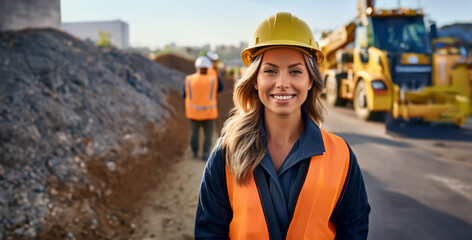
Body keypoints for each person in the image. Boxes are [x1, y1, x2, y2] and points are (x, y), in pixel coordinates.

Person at [195, 12, 370, 239]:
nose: (283, 83)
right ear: (255, 80)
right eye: (270, 70)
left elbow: (354, 230)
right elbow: (209, 232)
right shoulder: (226, 153)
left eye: (296, 71)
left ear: (310, 80)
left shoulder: (341, 155)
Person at [184, 56, 223, 160]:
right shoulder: (213, 80)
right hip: (209, 113)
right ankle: (205, 154)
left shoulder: (189, 79)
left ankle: (195, 152)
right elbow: (220, 89)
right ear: (208, 67)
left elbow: (184, 94)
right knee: (208, 135)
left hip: (193, 113)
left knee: (194, 133)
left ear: (197, 67)